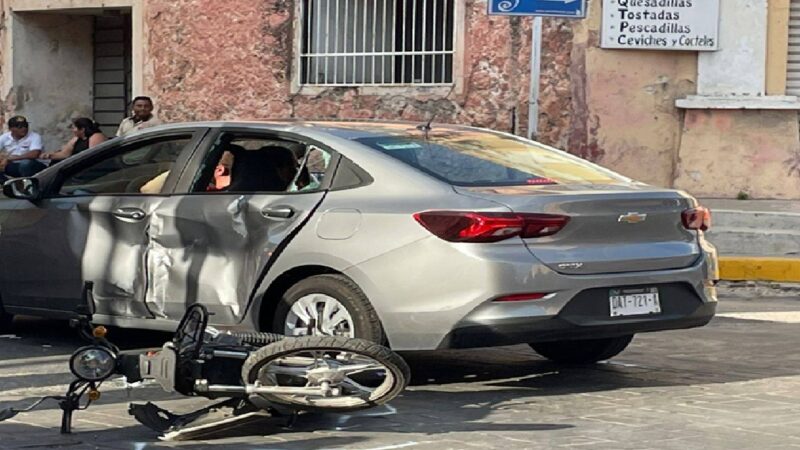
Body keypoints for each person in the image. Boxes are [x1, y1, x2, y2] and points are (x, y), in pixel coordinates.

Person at [41, 118, 107, 163]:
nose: (73, 130)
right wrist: (50, 155)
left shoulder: (96, 137)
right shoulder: (76, 138)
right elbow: (65, 153)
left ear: (82, 129)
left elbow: (93, 157)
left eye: (74, 128)